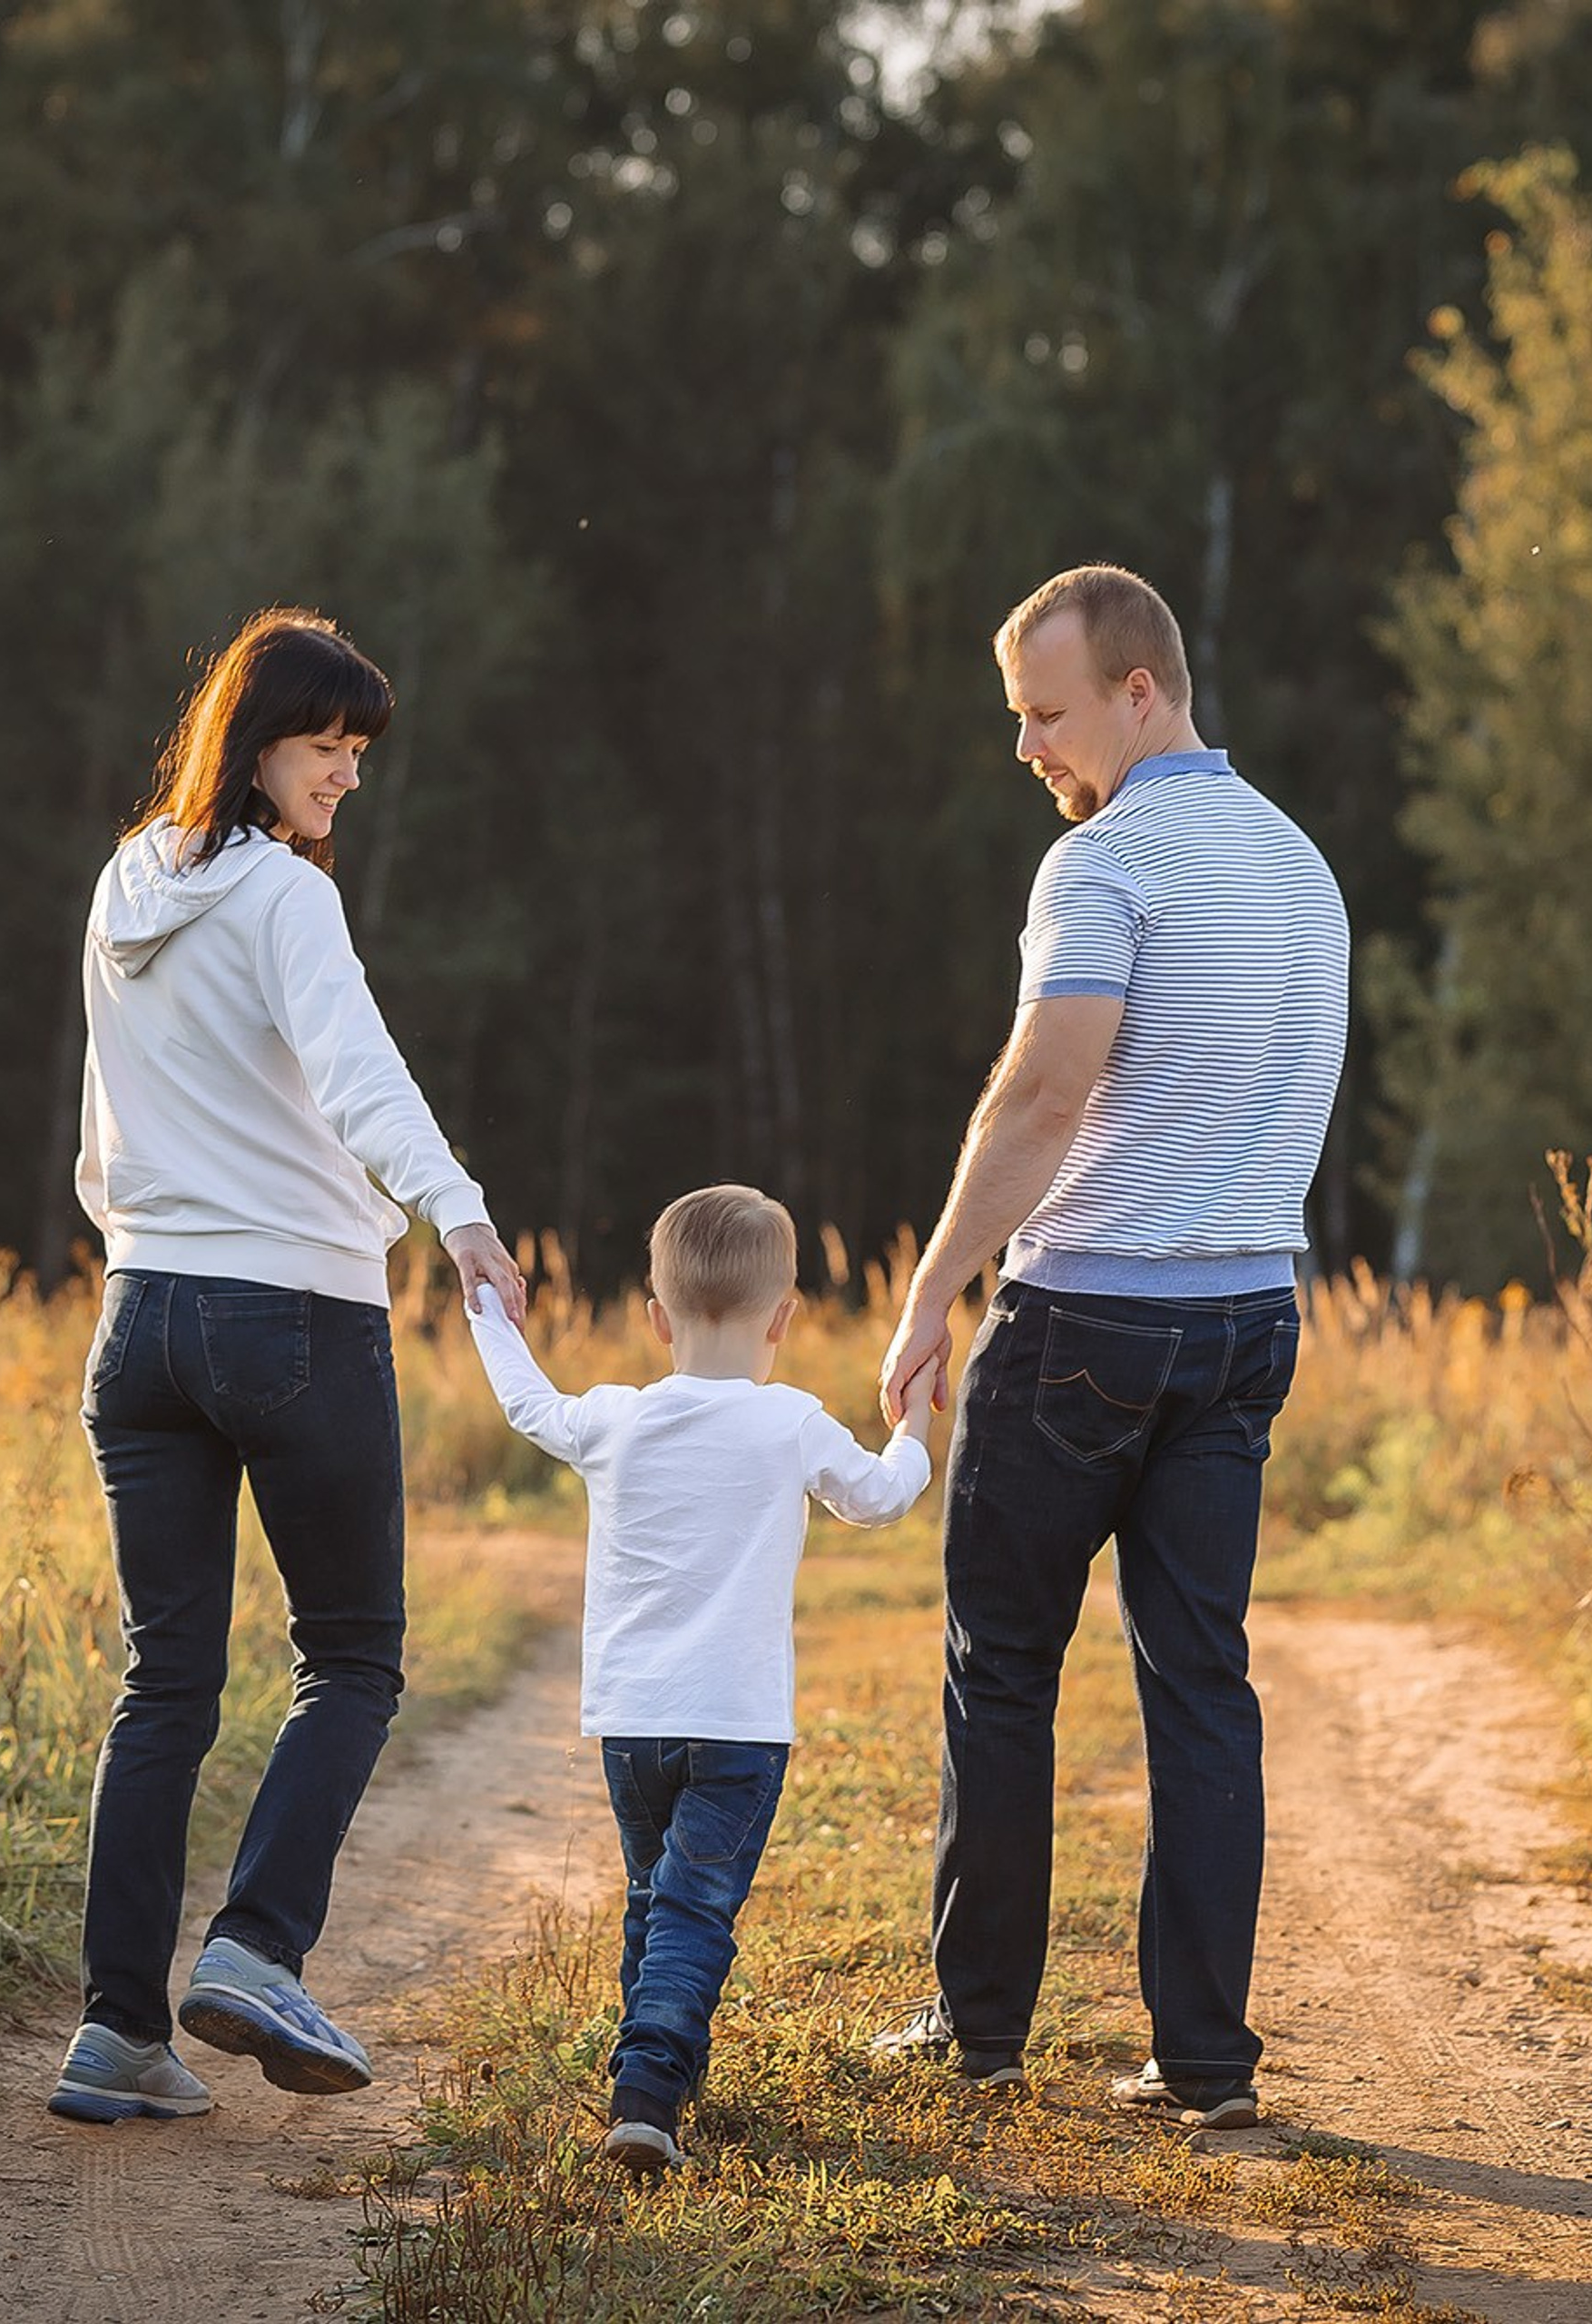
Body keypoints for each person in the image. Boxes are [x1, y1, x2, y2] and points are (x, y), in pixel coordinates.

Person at [871, 565, 1347, 2130]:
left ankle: (979, 2030)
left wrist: (933, 1288)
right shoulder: (1300, 865)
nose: (1027, 749)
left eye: (1046, 714)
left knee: (1001, 1669)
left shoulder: (1107, 863)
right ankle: (1206, 2063)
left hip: (1085, 1322)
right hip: (1248, 1318)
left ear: (1140, 692)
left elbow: (1042, 1097)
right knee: (1203, 1683)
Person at [48, 607, 525, 2125]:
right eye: (327, 746)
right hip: (292, 1314)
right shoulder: (283, 896)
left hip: (139, 1321)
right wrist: (459, 1212)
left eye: (358, 753)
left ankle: (118, 2035)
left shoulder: (126, 883)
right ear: (254, 743)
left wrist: (146, 1237)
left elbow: (101, 1131)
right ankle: (256, 1946)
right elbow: (360, 1073)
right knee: (356, 1656)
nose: (346, 776)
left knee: (165, 1683)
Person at [465, 1185, 936, 2171]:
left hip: (632, 1724)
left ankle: (657, 2079)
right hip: (737, 1726)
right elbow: (883, 1499)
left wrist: (488, 1312)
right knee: (692, 1907)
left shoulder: (615, 1418)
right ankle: (647, 2089)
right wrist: (914, 1427)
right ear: (783, 1319)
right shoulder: (790, 1421)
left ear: (656, 1318)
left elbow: (524, 1402)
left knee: (657, 1894)